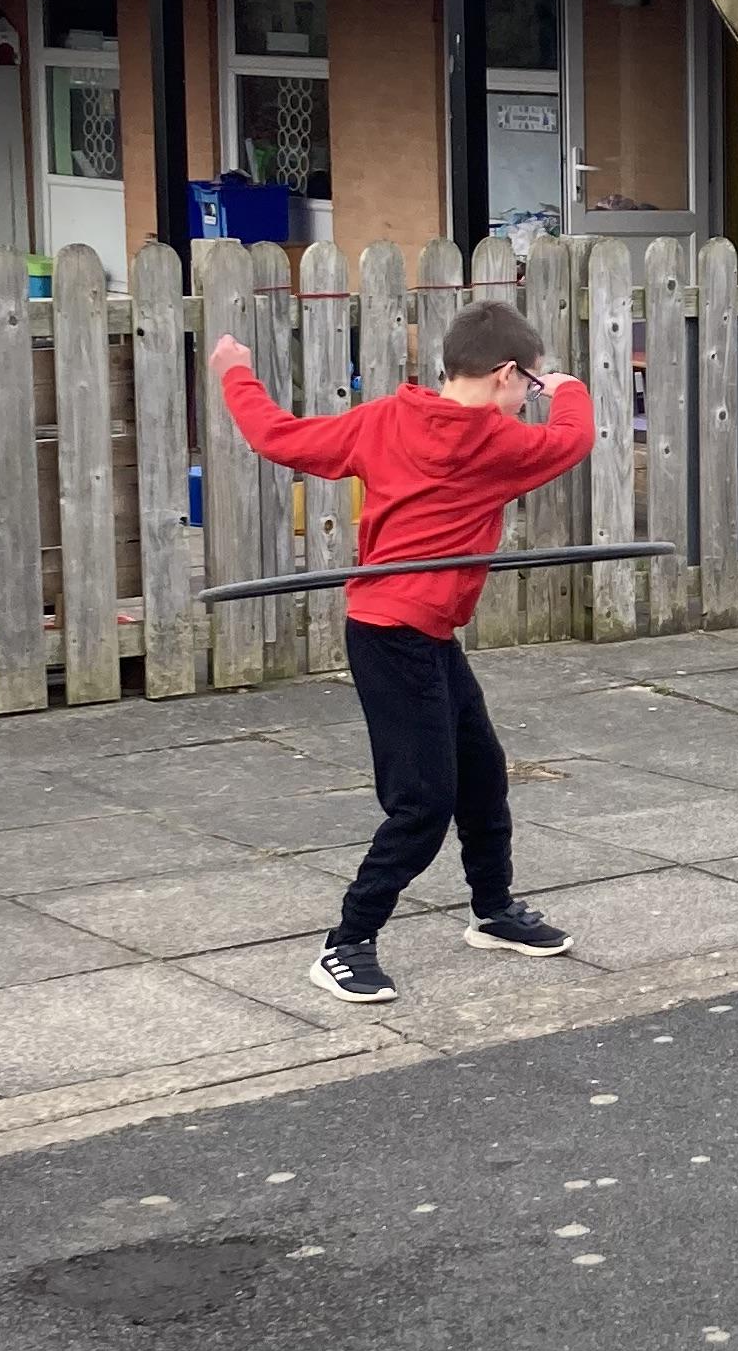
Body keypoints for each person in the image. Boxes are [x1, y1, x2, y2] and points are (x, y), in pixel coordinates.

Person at [208, 298, 598, 1005]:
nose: (528, 399)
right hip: (394, 637)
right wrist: (567, 388)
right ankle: (346, 943)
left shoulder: (382, 420)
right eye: (528, 385)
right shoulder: (498, 444)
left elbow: (275, 435)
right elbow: (572, 440)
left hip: (419, 632)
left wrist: (236, 371)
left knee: (482, 775)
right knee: (424, 802)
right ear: (506, 374)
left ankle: (493, 911)